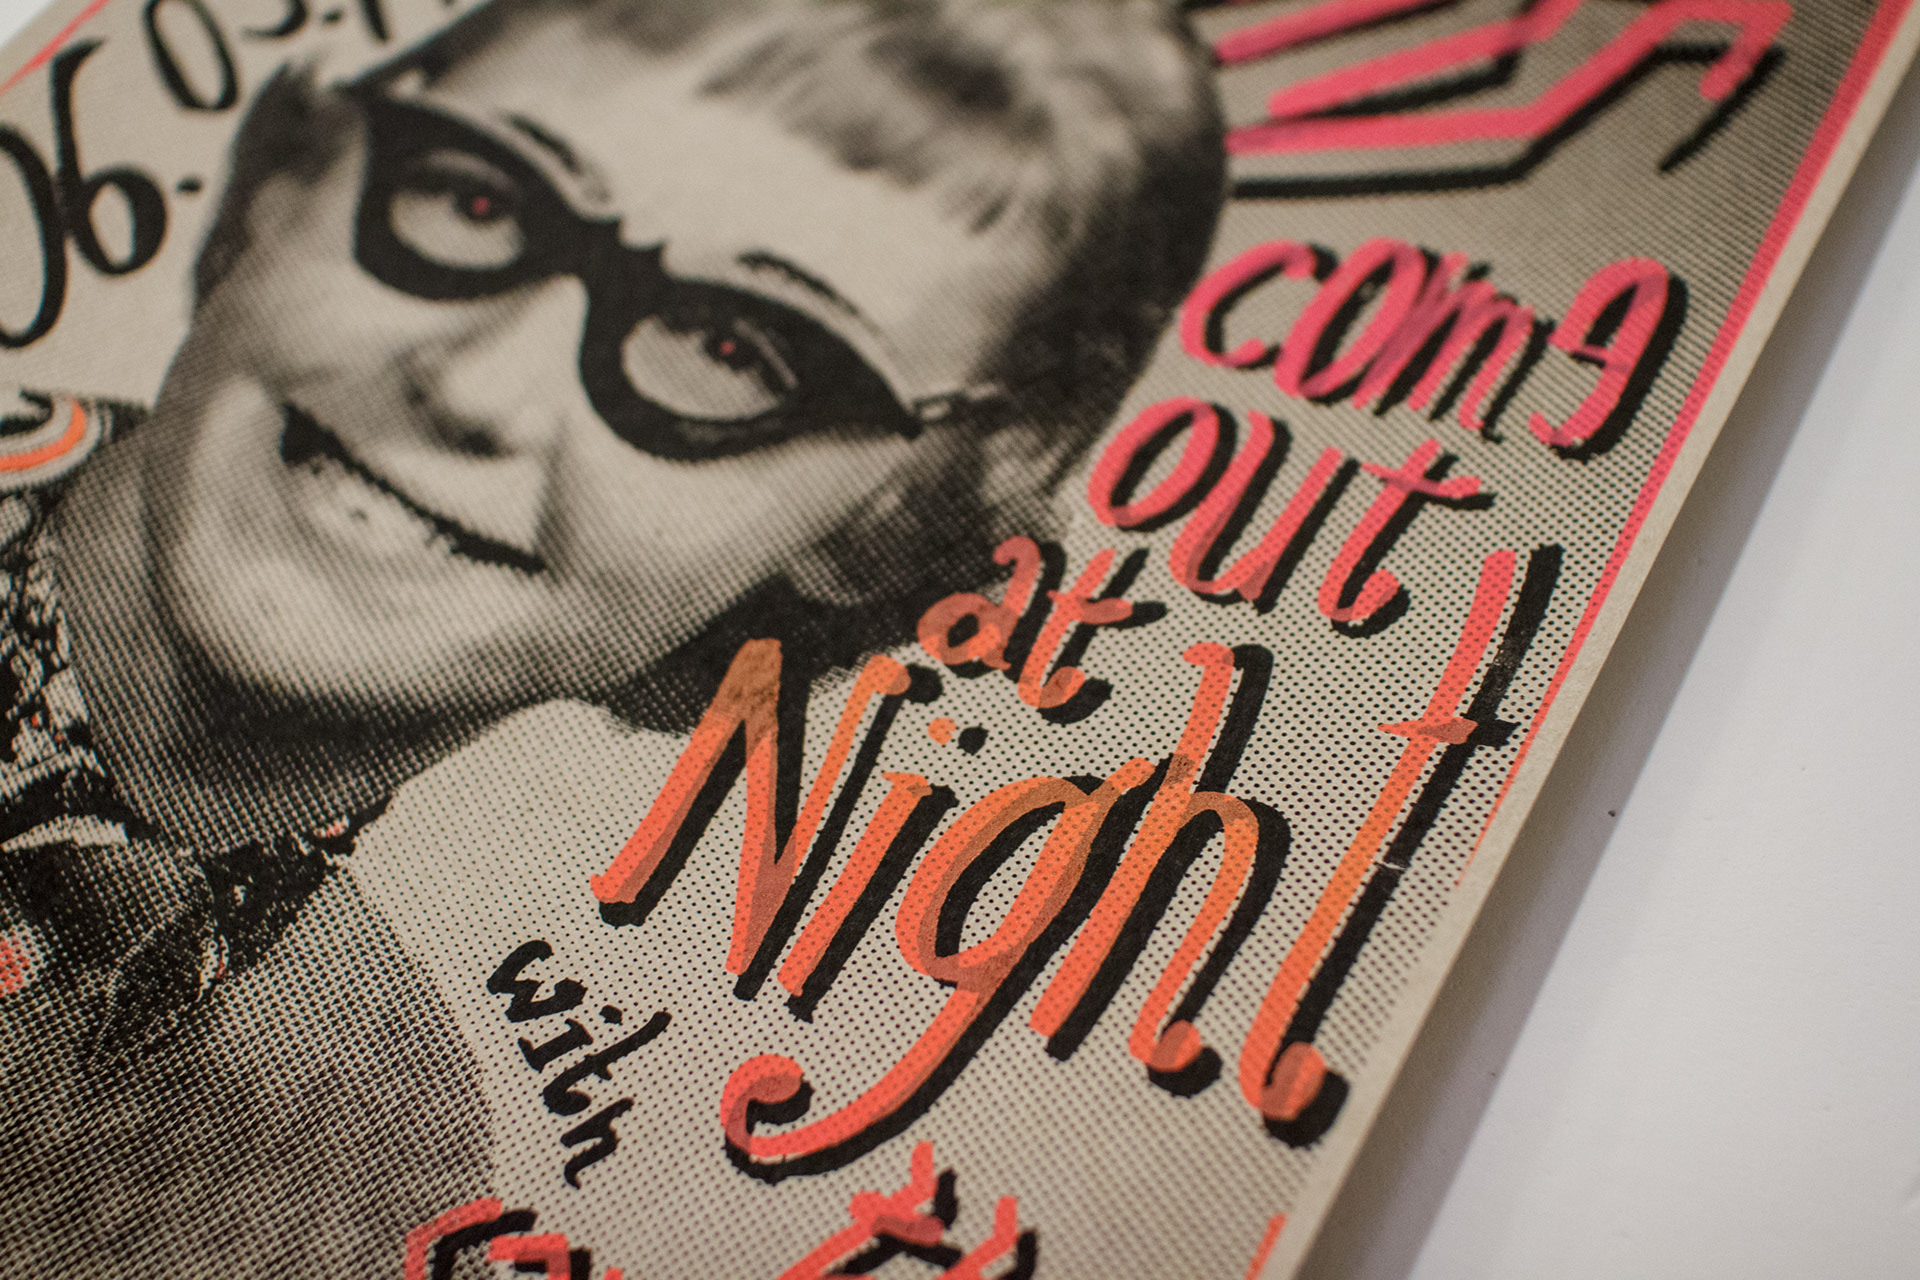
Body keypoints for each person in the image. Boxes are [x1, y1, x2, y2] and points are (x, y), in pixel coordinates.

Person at [0, 0, 1226, 1271]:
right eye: (478, 199)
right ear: (289, 176)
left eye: (734, 350)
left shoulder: (369, 1161)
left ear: (895, 517)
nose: (478, 387)